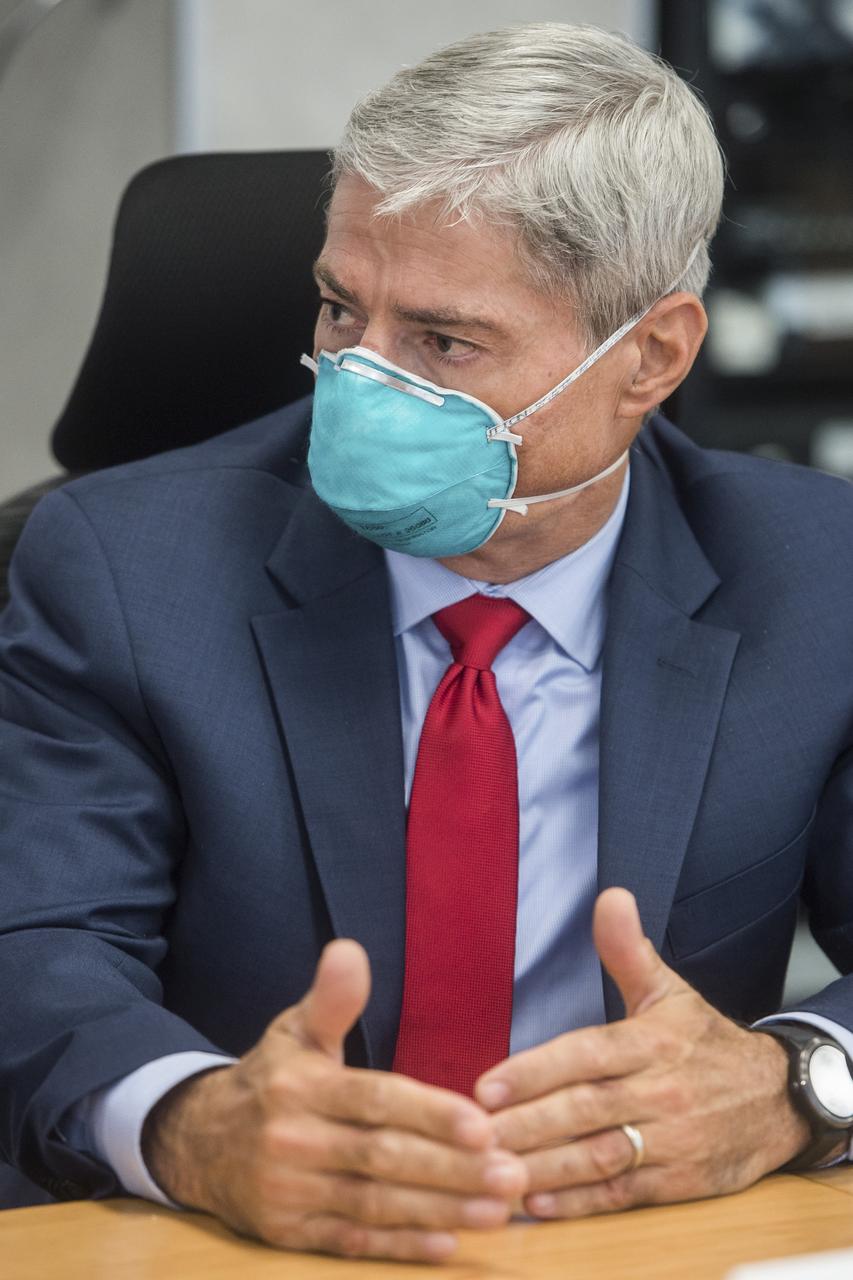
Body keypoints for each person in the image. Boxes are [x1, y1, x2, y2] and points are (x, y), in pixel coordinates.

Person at [1, 21, 853, 1264]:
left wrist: (793, 1084)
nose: (358, 381)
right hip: (242, 1245)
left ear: (652, 356)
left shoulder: (815, 574)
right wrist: (189, 1119)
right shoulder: (124, 567)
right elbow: (35, 944)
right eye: (343, 309)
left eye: (442, 343)